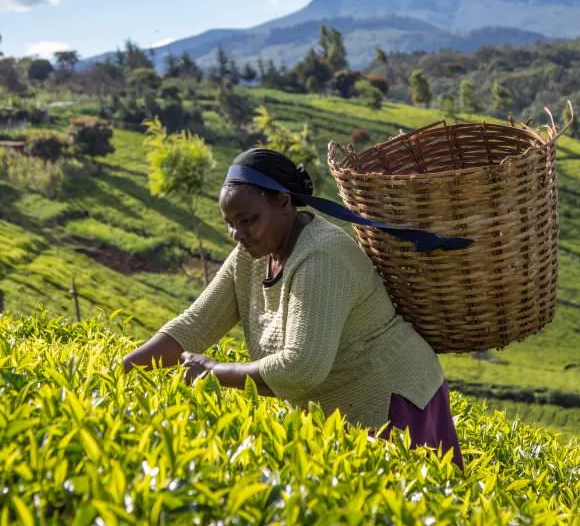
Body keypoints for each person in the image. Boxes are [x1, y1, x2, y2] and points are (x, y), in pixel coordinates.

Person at [123, 148, 464, 470]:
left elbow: (302, 368)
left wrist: (213, 372)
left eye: (247, 220)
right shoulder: (254, 252)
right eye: (230, 222)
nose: (236, 233)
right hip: (336, 411)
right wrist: (122, 371)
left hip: (391, 401)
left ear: (284, 204)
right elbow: (194, 326)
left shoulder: (321, 258)